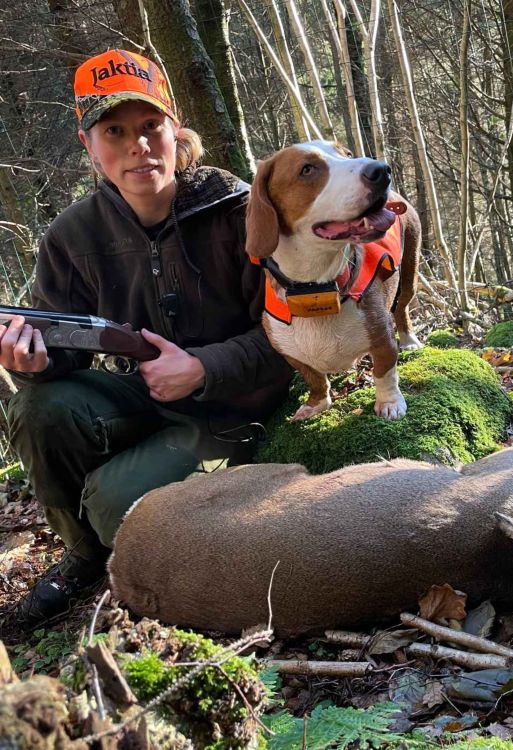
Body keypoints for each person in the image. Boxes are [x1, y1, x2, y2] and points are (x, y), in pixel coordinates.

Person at [0, 49, 292, 627]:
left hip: (233, 411)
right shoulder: (71, 235)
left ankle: (126, 542)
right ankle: (83, 555)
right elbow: (60, 347)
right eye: (115, 131)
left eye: (150, 126)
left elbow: (290, 335)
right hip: (143, 400)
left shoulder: (239, 209)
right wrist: (31, 361)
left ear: (173, 129)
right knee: (38, 408)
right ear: (89, 145)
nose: (138, 145)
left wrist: (206, 367)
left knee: (114, 506)